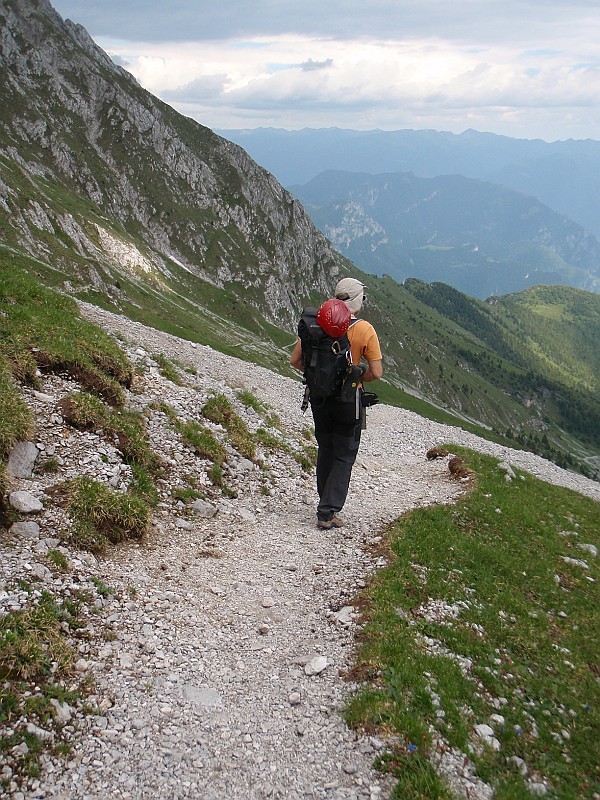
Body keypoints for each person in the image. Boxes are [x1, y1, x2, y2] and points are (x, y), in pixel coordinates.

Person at [290, 277, 383, 529]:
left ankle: (325, 503)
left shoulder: (318, 324)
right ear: (356, 301)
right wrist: (351, 378)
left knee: (326, 448)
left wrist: (321, 377)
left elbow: (295, 361)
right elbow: (375, 372)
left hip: (318, 398)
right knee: (344, 454)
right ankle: (327, 511)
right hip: (348, 401)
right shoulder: (365, 330)